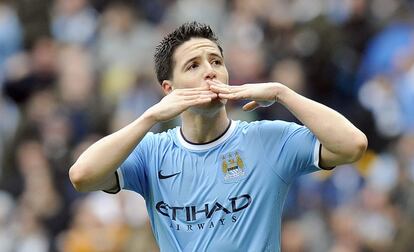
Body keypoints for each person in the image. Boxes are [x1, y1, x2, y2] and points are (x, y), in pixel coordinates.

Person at [69, 21, 368, 252]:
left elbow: (352, 145)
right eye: (193, 65)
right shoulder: (151, 152)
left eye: (216, 61)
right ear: (169, 89)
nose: (210, 71)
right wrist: (149, 117)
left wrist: (282, 93)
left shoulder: (267, 141)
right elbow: (82, 175)